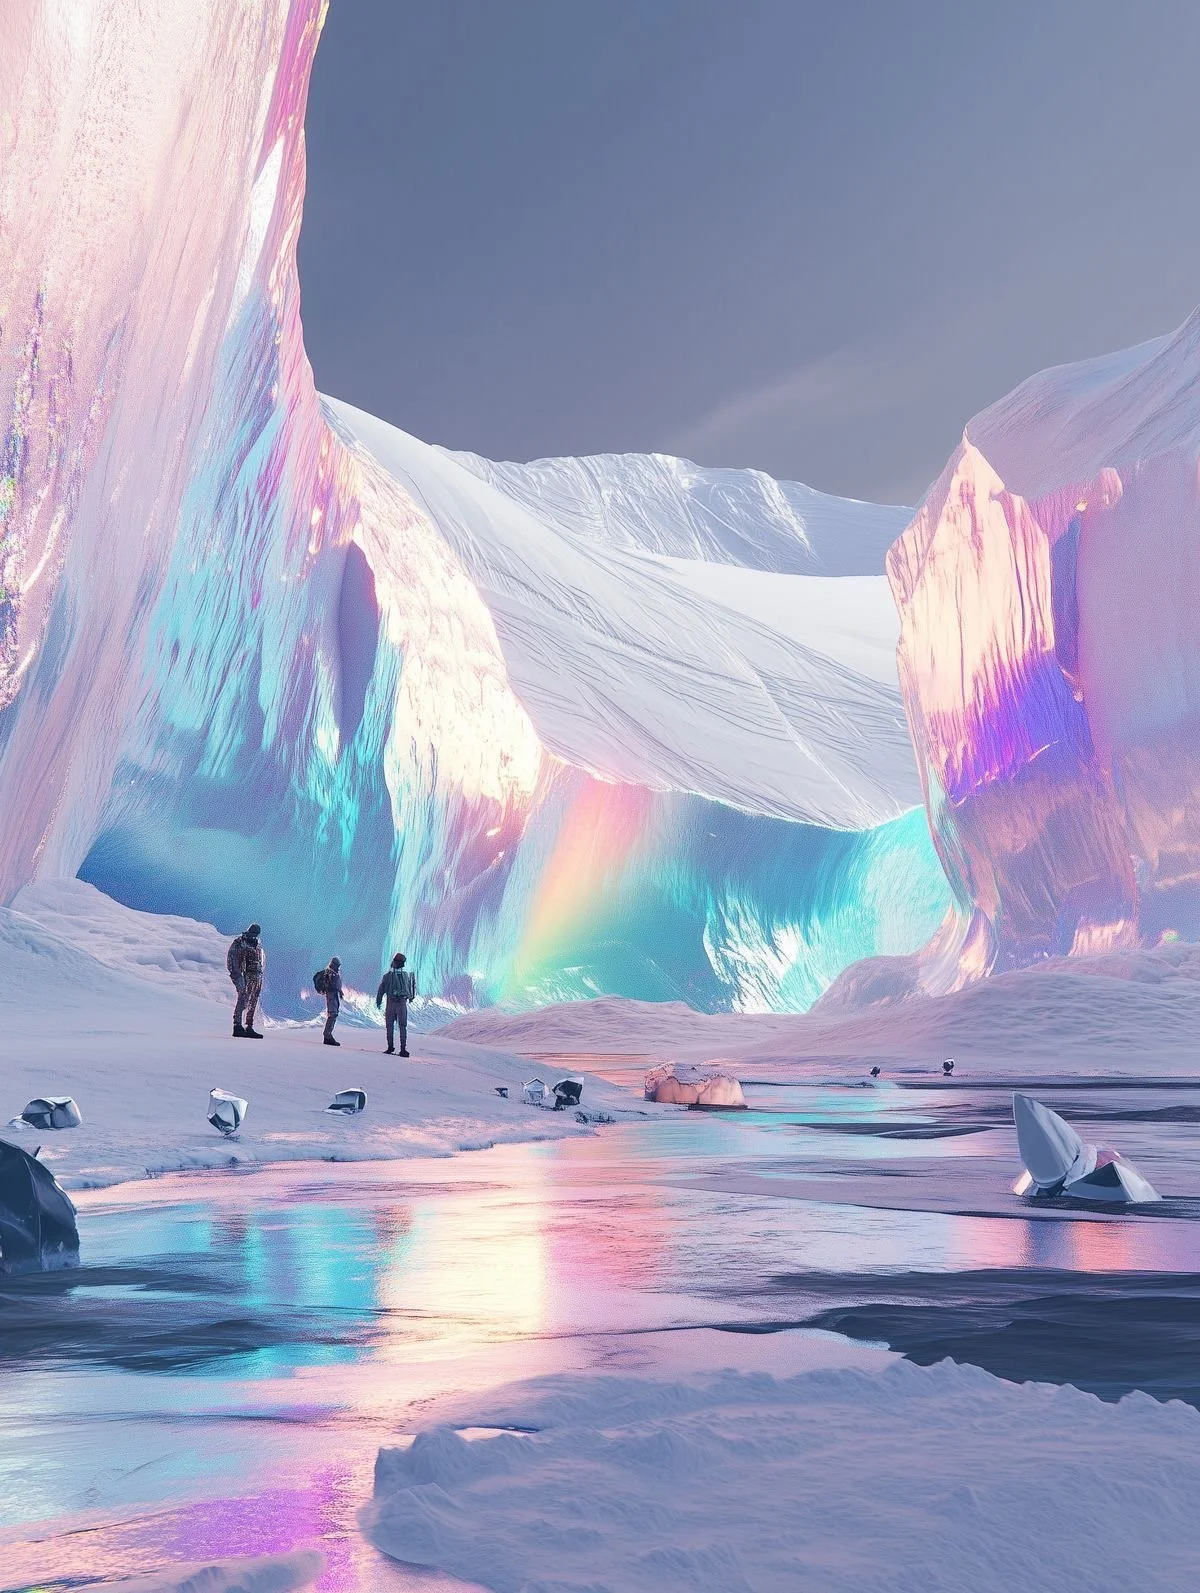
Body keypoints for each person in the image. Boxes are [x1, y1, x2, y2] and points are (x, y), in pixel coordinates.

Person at [227, 923, 265, 1038]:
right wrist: (237, 975)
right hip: (244, 975)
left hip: (256, 976)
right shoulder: (239, 943)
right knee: (243, 998)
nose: (254, 936)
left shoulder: (256, 945)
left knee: (253, 1000)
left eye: (256, 934)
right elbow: (232, 959)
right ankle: (237, 1025)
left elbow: (259, 960)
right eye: (253, 933)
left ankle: (249, 1026)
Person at [375, 952, 416, 1056]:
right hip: (400, 1003)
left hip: (392, 1003)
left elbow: (381, 990)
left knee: (391, 1026)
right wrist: (410, 997)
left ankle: (391, 1047)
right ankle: (402, 1048)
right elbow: (410, 990)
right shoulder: (405, 976)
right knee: (401, 1026)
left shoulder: (388, 976)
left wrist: (379, 1001)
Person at [321, 956, 344, 1046]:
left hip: (334, 995)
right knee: (332, 1014)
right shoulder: (330, 972)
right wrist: (338, 990)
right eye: (337, 965)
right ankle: (327, 1035)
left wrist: (340, 991)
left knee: (334, 1014)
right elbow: (332, 985)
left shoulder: (333, 972)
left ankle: (328, 1035)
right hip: (331, 996)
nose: (338, 967)